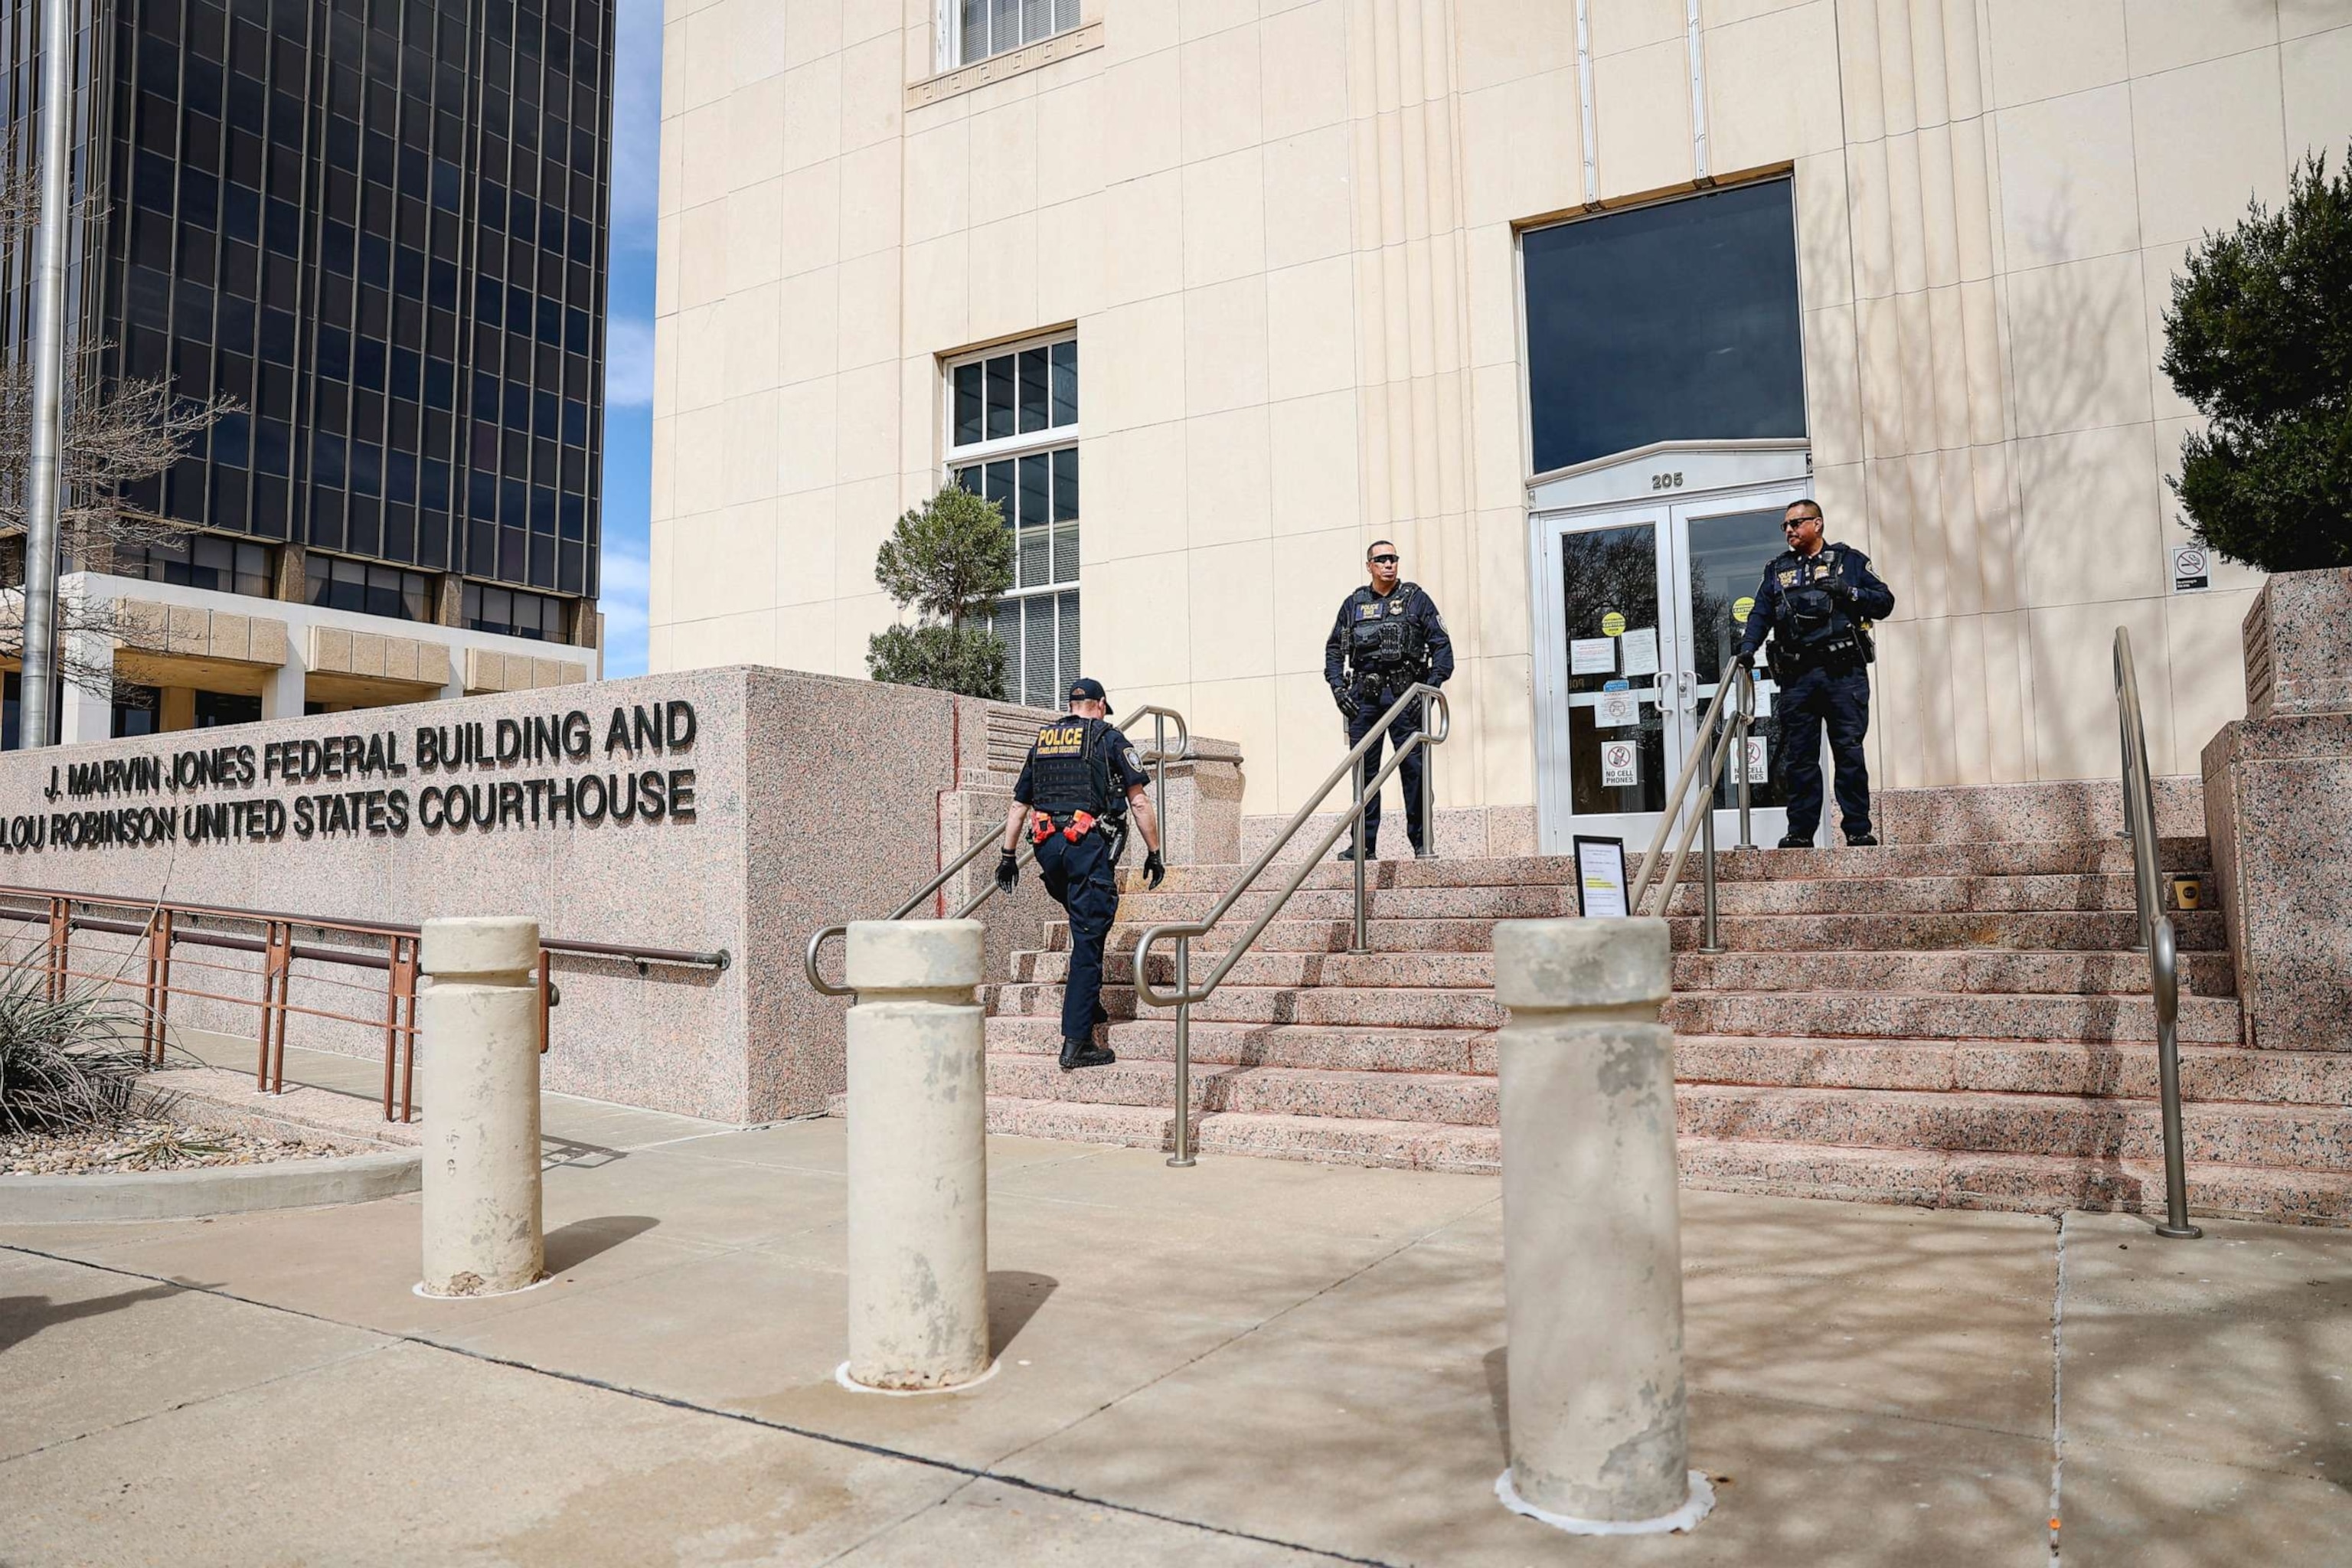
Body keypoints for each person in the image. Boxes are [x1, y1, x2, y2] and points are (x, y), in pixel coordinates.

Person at [995, 677, 1165, 1071]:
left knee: (1084, 918)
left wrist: (1007, 856)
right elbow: (1138, 803)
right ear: (1100, 705)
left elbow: (1019, 807)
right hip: (1084, 848)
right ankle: (1077, 1044)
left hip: (1046, 851)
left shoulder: (1044, 739)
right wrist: (1155, 853)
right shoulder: (1108, 737)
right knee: (1089, 939)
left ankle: (1088, 1001)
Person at [1734, 498, 1896, 848]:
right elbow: (1761, 613)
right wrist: (1748, 647)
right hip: (1798, 677)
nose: (1789, 530)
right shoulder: (1777, 570)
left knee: (1848, 752)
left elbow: (1884, 602)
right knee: (1800, 757)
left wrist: (1849, 592)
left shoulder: (1847, 561)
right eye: (1786, 526)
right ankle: (1800, 833)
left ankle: (1857, 829)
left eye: (1796, 523)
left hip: (1842, 673)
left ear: (1818, 524)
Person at [1323, 540, 1454, 860]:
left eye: (1393, 558)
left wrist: (1426, 690)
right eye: (1381, 559)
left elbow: (1443, 650)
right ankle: (1362, 846)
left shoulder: (1416, 600)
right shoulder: (1354, 604)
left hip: (1405, 697)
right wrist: (1339, 690)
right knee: (1363, 775)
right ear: (1369, 565)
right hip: (1363, 700)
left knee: (1414, 772)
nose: (1388, 564)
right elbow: (1334, 650)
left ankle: (1422, 844)